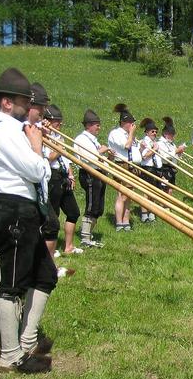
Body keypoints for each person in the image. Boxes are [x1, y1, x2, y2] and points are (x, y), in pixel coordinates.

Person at [0, 68, 56, 372]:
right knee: (12, 284)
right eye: (24, 100)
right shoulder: (3, 129)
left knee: (46, 276)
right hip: (13, 209)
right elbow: (36, 170)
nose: (28, 106)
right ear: (8, 102)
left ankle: (27, 340)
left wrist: (36, 149)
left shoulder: (5, 126)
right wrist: (37, 147)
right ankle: (10, 355)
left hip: (24, 208)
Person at [41, 104, 83, 262]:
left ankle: (68, 246)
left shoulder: (59, 137)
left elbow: (66, 159)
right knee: (54, 215)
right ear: (48, 121)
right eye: (57, 121)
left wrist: (71, 175)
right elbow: (47, 159)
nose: (60, 124)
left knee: (73, 212)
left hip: (63, 176)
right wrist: (58, 149)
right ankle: (48, 250)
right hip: (51, 176)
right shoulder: (43, 137)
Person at [73, 110, 111, 245]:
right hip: (89, 174)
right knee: (91, 205)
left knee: (99, 207)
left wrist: (108, 157)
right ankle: (85, 238)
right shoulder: (81, 139)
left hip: (99, 174)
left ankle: (89, 234)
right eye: (96, 125)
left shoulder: (93, 140)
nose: (99, 128)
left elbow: (100, 158)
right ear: (88, 125)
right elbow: (88, 158)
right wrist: (101, 151)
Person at [107, 104, 138, 231]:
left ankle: (126, 222)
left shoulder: (128, 134)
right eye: (131, 123)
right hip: (122, 165)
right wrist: (131, 133)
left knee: (129, 195)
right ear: (124, 122)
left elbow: (133, 148)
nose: (132, 125)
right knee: (121, 195)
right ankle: (119, 222)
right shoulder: (116, 133)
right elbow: (126, 146)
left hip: (132, 165)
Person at [136, 118, 162, 221]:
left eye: (156, 131)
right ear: (147, 132)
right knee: (146, 192)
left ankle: (152, 213)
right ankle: (144, 214)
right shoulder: (143, 142)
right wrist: (154, 150)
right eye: (152, 131)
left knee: (154, 192)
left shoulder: (155, 143)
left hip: (155, 168)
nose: (154, 133)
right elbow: (144, 156)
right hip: (147, 168)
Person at [157, 119, 185, 194]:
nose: (173, 136)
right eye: (171, 134)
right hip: (164, 168)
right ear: (165, 134)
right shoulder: (160, 143)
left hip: (171, 168)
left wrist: (179, 153)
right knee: (163, 189)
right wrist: (176, 151)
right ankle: (162, 205)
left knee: (170, 189)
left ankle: (167, 205)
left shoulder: (172, 144)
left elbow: (175, 156)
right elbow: (164, 156)